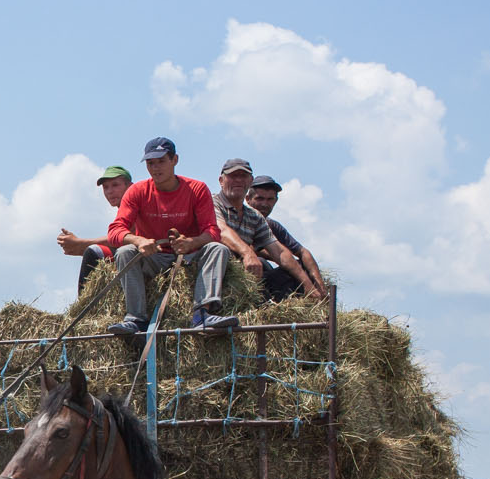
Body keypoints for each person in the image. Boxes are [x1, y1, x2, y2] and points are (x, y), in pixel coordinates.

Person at [104, 137, 234, 339]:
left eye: (161, 161)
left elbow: (213, 231)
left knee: (219, 249)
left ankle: (203, 314)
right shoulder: (137, 191)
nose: (155, 168)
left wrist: (192, 242)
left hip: (190, 258)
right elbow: (115, 231)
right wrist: (139, 241)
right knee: (124, 252)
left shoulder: (197, 189)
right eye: (150, 163)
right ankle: (136, 319)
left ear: (175, 160)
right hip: (154, 258)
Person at [210, 159, 323, 302]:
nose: (238, 180)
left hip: (247, 276)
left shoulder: (254, 216)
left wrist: (308, 285)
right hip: (221, 273)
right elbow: (222, 231)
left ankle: (283, 311)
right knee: (257, 261)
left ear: (250, 181)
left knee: (297, 269)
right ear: (221, 180)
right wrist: (248, 253)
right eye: (233, 176)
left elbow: (279, 251)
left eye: (243, 176)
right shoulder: (211, 203)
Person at [245, 175, 329, 300]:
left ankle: (304, 302)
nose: (264, 204)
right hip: (247, 279)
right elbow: (248, 248)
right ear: (248, 199)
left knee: (301, 266)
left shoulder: (272, 225)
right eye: (260, 198)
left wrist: (320, 286)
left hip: (268, 280)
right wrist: (280, 257)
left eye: (269, 199)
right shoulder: (240, 220)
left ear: (275, 201)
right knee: (261, 263)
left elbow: (303, 252)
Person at [57, 166, 132, 293]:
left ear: (130, 186)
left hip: (138, 257)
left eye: (115, 185)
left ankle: (82, 308)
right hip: (127, 255)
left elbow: (125, 238)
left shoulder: (134, 206)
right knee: (92, 252)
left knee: (93, 251)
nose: (110, 191)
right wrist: (78, 247)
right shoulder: (121, 211)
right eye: (105, 187)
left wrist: (81, 243)